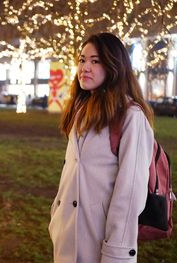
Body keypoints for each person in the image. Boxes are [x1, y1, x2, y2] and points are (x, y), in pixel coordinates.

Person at [48, 32, 154, 263]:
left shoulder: (131, 117)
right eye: (82, 60)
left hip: (100, 243)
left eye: (95, 61)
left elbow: (130, 193)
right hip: (67, 236)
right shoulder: (80, 110)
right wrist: (56, 218)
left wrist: (117, 251)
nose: (85, 67)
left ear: (114, 66)